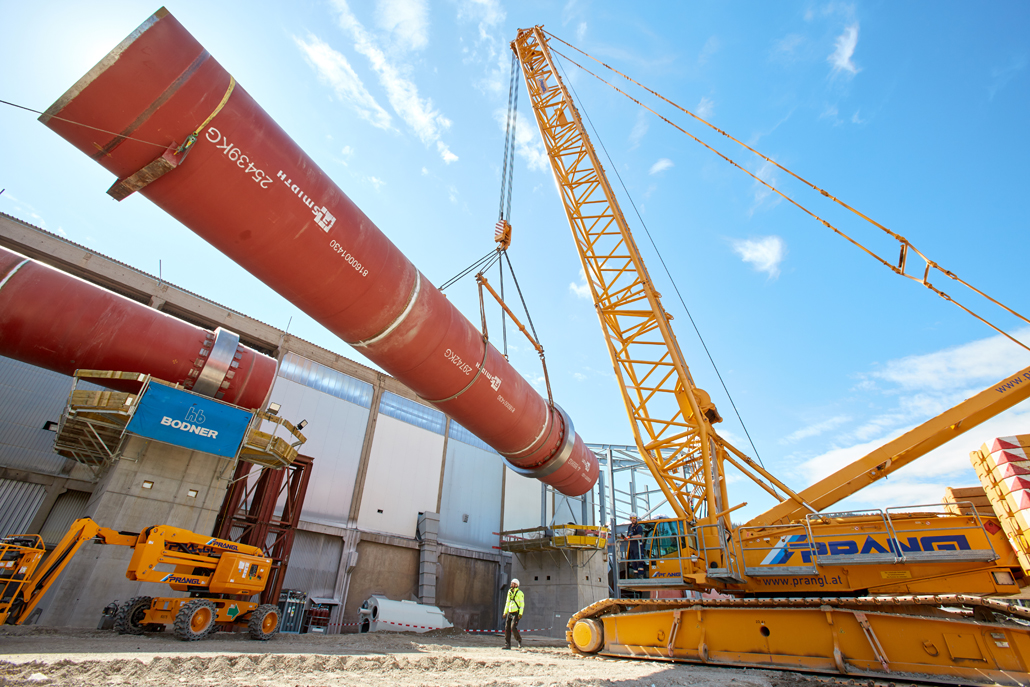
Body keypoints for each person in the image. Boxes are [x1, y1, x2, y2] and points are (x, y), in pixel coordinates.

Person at [502, 578, 524, 650]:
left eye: (513, 583)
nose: (511, 584)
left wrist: (520, 614)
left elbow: (522, 604)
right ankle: (507, 645)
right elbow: (507, 603)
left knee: (513, 627)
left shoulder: (520, 593)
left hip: (516, 613)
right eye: (511, 583)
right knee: (507, 628)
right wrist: (505, 612)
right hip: (510, 612)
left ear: (516, 585)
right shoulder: (509, 592)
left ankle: (519, 640)